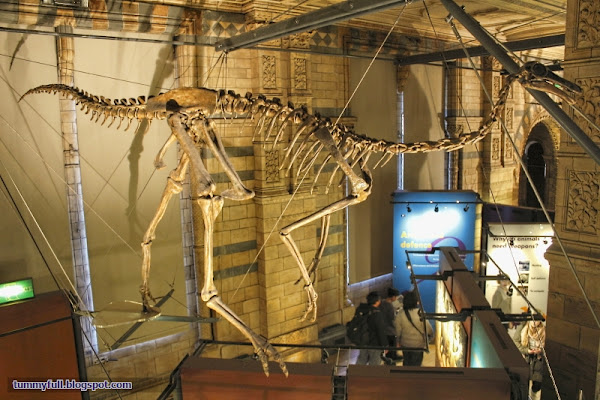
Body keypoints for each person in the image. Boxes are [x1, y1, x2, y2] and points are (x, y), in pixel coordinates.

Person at [396, 290, 433, 366]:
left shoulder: (400, 314)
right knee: (416, 364)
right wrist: (430, 337)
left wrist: (398, 341)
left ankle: (405, 373)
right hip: (418, 344)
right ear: (416, 302)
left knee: (406, 361)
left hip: (405, 344)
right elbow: (428, 329)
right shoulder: (420, 313)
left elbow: (397, 331)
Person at [355, 291, 388, 365]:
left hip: (363, 340)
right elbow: (380, 331)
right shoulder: (377, 314)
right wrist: (385, 345)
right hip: (375, 343)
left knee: (361, 360)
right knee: (374, 364)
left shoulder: (361, 310)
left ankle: (355, 372)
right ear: (377, 301)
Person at [521, 319, 546, 400]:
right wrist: (526, 351)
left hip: (538, 360)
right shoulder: (524, 328)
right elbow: (517, 343)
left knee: (537, 384)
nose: (534, 322)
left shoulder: (543, 331)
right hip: (527, 358)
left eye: (537, 320)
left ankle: (533, 397)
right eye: (532, 320)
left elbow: (546, 348)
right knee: (524, 382)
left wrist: (540, 351)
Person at [380, 287, 401, 361]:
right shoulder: (390, 306)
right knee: (392, 344)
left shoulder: (381, 302)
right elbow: (392, 319)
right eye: (396, 296)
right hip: (390, 329)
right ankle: (392, 357)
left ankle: (389, 357)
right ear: (393, 297)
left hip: (383, 328)